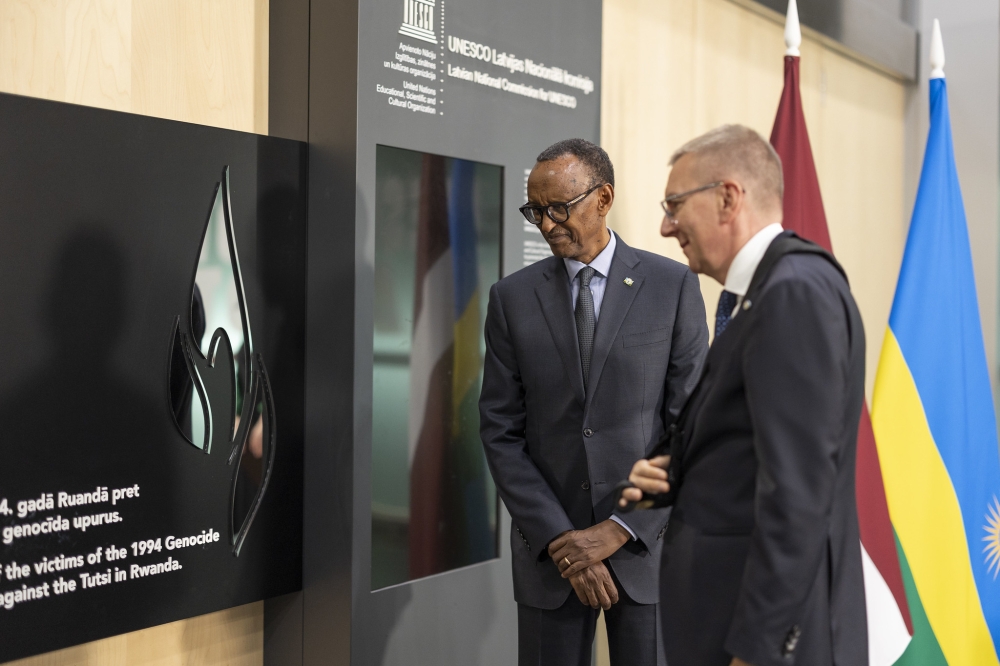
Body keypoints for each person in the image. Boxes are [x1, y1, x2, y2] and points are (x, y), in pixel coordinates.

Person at [619, 125, 868, 666]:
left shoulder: (794, 293)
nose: (665, 226)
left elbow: (798, 497)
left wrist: (757, 649)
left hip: (759, 643)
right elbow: (750, 452)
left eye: (675, 204)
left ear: (728, 197)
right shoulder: (759, 294)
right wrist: (673, 475)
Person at [479, 138, 708, 666]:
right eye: (534, 210)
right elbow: (500, 429)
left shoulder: (672, 285)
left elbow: (690, 427)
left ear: (602, 198)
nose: (545, 223)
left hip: (646, 548)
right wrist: (564, 540)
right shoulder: (511, 299)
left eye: (558, 208)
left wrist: (619, 530)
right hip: (550, 558)